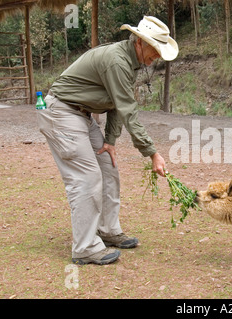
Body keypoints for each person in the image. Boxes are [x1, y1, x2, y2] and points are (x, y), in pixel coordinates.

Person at [37, 16, 178, 265]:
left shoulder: (129, 62)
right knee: (86, 178)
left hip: (82, 115)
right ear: (140, 43)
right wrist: (152, 152)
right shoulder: (117, 61)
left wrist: (110, 140)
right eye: (155, 50)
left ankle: (107, 229)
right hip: (63, 113)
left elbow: (116, 105)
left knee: (108, 168)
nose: (156, 56)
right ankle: (85, 248)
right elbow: (128, 110)